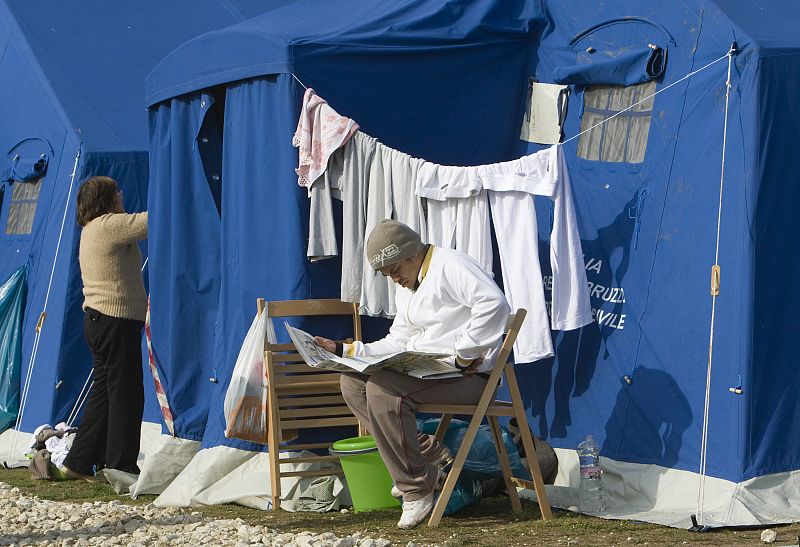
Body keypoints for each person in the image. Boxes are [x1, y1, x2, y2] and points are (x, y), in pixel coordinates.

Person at [314, 219, 510, 528]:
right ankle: (426, 458)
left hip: (470, 379)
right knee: (352, 382)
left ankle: (416, 489)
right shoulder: (408, 285)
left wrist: (464, 355)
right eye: (385, 274)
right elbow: (397, 341)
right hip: (431, 374)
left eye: (394, 270)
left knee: (383, 389)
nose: (393, 279)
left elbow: (495, 304)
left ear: (410, 254)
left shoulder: (451, 264)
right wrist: (345, 351)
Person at [58, 176, 148, 480]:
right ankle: (120, 465)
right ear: (108, 200)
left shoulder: (90, 229)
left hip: (98, 320)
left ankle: (78, 462)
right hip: (115, 321)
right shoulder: (109, 224)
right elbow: (151, 221)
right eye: (118, 193)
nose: (122, 197)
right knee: (127, 395)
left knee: (104, 395)